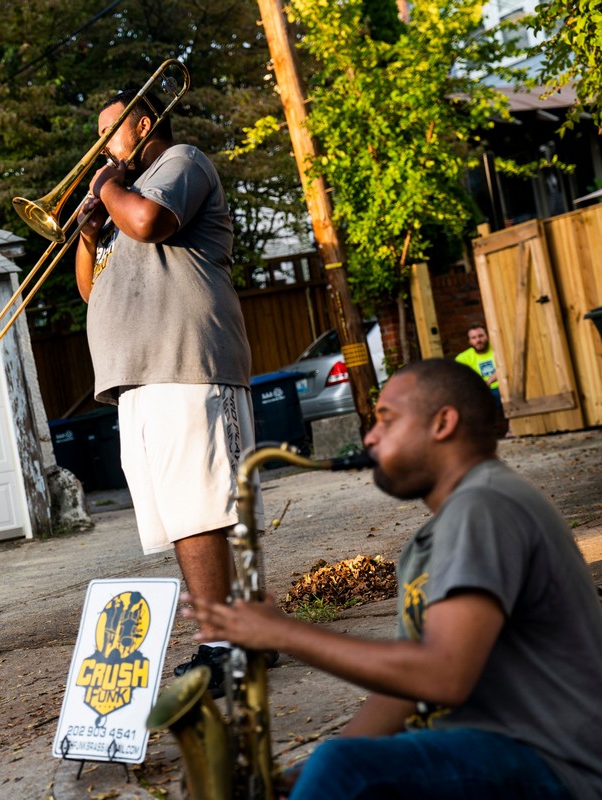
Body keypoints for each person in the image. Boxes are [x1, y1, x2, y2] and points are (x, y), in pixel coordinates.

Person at [186, 359, 602, 799]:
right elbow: (408, 685)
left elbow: (443, 676)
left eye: (387, 419)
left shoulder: (484, 506)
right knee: (329, 765)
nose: (369, 437)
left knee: (342, 769)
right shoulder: (433, 536)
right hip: (488, 751)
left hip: (556, 767)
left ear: (443, 423)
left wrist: (283, 632)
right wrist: (304, 774)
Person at [74, 87, 257, 691]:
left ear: (144, 123)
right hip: (141, 378)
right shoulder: (125, 202)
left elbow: (150, 223)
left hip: (189, 365)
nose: (100, 148)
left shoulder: (182, 163)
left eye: (109, 134)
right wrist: (87, 230)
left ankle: (227, 644)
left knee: (207, 509)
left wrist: (105, 189)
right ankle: (240, 635)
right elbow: (90, 292)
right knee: (183, 515)